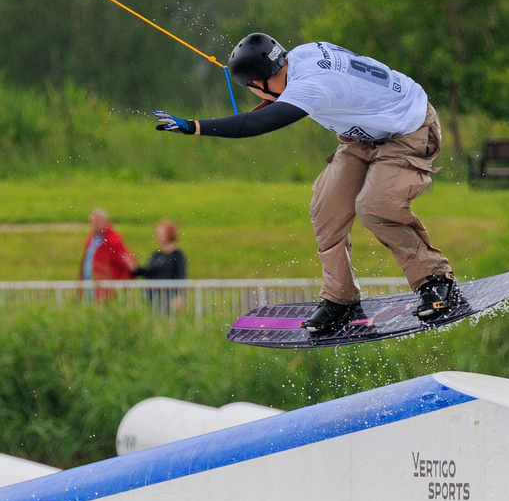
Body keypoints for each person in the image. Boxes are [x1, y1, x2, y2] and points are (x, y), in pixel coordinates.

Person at [154, 33, 461, 338]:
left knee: (375, 207)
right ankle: (341, 299)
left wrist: (194, 126)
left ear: (258, 83)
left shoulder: (311, 88)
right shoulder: (299, 56)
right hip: (364, 133)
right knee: (326, 207)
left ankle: (436, 280)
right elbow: (276, 103)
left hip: (408, 127)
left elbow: (257, 123)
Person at [79, 208, 135, 295]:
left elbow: (126, 264)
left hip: (105, 289)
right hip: (89, 287)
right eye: (92, 222)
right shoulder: (91, 239)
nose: (95, 225)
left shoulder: (113, 241)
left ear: (106, 222)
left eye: (98, 222)